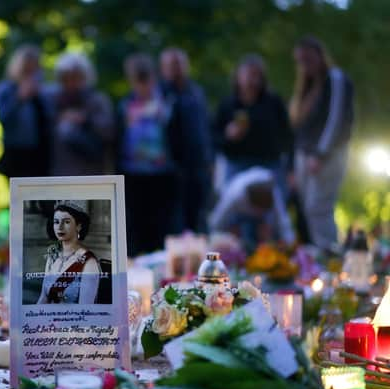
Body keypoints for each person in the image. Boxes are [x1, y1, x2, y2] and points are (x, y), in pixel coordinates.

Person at [289, 36, 354, 252]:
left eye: (308, 58)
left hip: (326, 154)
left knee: (319, 208)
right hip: (305, 155)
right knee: (309, 209)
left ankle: (329, 254)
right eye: (301, 61)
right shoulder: (306, 90)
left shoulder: (334, 78)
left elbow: (336, 118)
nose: (305, 65)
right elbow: (298, 128)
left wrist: (321, 153)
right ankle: (323, 254)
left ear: (319, 55)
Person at [117, 53, 177, 255]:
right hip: (133, 173)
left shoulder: (167, 102)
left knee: (160, 225)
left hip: (162, 173)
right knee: (135, 225)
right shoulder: (125, 104)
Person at [213, 54, 293, 186]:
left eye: (256, 75)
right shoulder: (227, 104)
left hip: (269, 165)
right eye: (248, 75)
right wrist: (227, 135)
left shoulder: (274, 102)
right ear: (238, 77)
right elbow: (214, 137)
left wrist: (290, 168)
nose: (251, 80)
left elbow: (288, 136)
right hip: (236, 165)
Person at [159, 47, 213, 233]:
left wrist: (209, 159)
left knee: (198, 217)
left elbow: (205, 128)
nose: (177, 69)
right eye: (172, 65)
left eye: (180, 64)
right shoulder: (158, 94)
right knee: (173, 222)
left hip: (198, 167)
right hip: (170, 171)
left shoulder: (196, 92)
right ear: (163, 68)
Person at [0, 45, 51, 177]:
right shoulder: (4, 89)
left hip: (40, 155)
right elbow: (3, 118)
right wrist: (19, 98)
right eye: (26, 70)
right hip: (15, 154)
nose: (31, 75)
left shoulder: (43, 93)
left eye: (34, 70)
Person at [49, 53, 115, 176]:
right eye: (66, 78)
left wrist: (85, 119)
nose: (71, 82)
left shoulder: (97, 100)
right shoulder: (52, 100)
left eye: (75, 77)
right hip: (60, 174)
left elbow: (109, 130)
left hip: (92, 173)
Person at [209, 167, 295, 249]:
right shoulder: (234, 194)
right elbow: (217, 221)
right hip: (237, 219)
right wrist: (219, 239)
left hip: (263, 222)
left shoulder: (273, 194)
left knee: (267, 234)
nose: (259, 212)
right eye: (259, 210)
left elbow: (283, 222)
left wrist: (291, 244)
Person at [37, 201, 100, 304]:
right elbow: (43, 298)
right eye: (56, 222)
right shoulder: (52, 257)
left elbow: (86, 310)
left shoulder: (89, 263)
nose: (60, 227)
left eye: (66, 222)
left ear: (78, 226)